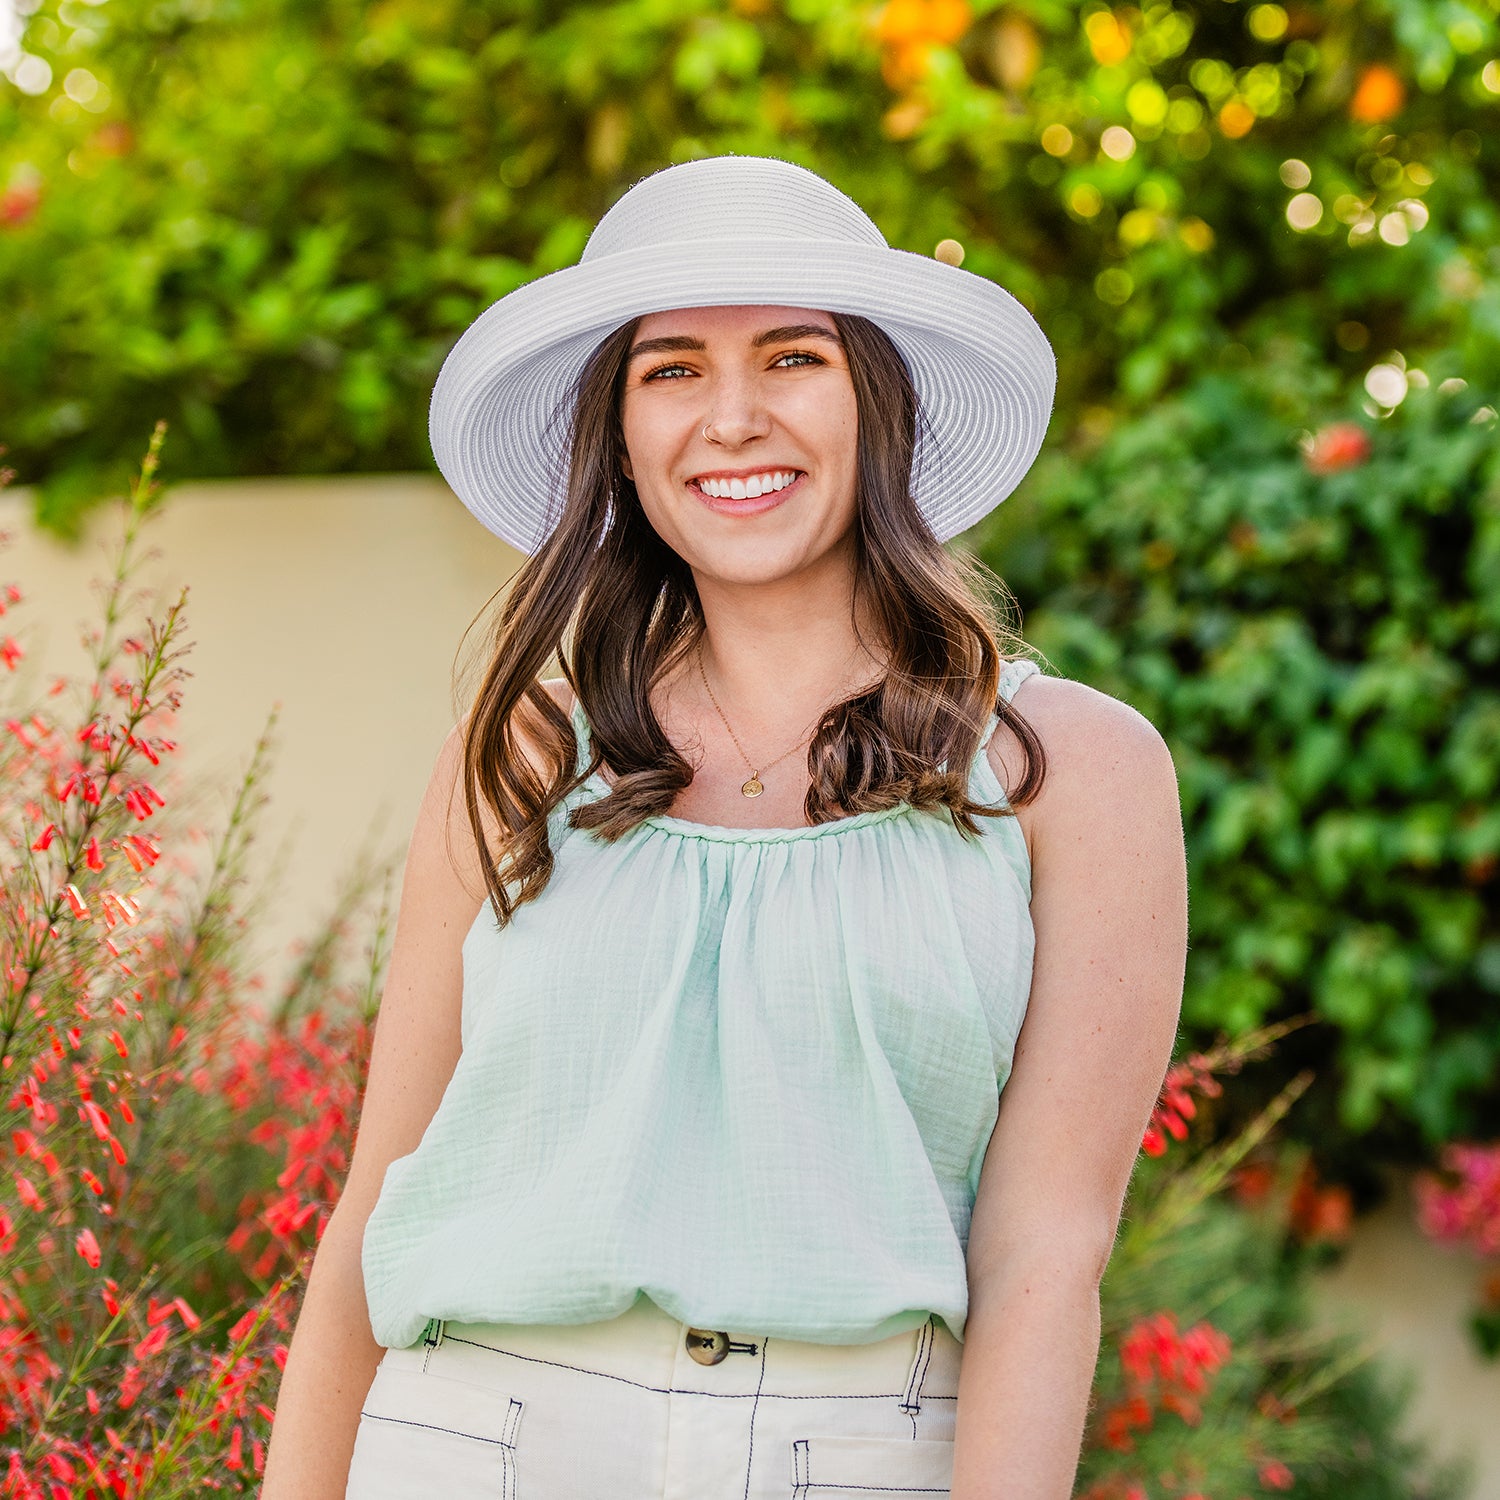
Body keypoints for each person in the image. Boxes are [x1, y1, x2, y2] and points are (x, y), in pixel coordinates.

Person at [261, 154, 1188, 1500]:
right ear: (621, 441)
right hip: (470, 1443)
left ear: (880, 406)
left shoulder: (1073, 772)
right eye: (673, 370)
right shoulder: (522, 755)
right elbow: (372, 1204)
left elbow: (1046, 1252)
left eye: (794, 359)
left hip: (864, 1453)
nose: (733, 419)